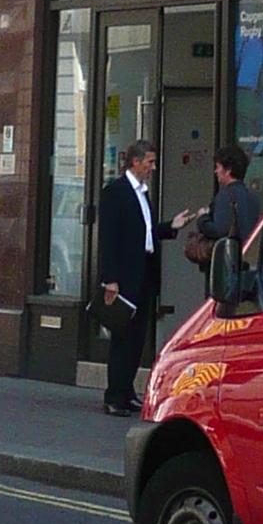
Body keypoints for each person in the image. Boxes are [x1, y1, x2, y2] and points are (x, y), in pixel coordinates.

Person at [97, 137, 161, 416]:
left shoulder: (143, 193)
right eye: (150, 162)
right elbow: (108, 238)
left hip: (144, 271)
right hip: (124, 276)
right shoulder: (115, 192)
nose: (153, 167)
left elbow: (146, 232)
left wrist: (170, 227)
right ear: (135, 162)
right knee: (122, 336)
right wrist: (110, 279)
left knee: (137, 338)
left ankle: (127, 391)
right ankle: (114, 395)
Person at [174, 144, 258, 268]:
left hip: (226, 265)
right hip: (245, 262)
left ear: (228, 170)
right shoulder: (252, 197)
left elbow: (220, 230)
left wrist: (202, 218)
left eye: (218, 167)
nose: (215, 172)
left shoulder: (226, 195)